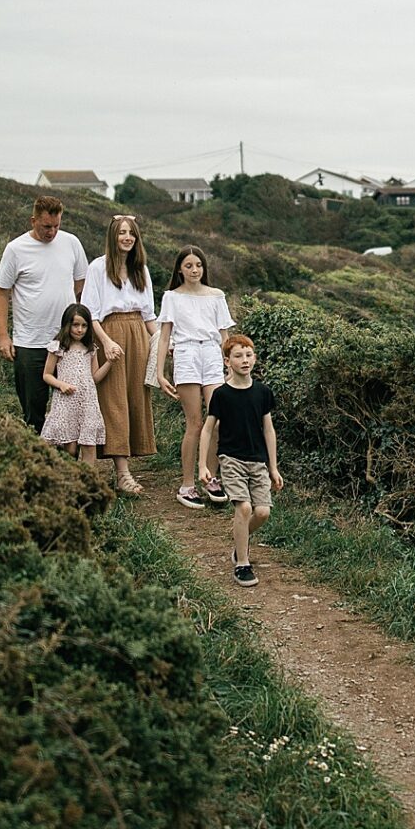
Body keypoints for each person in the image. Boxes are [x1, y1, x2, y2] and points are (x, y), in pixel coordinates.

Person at [0, 195, 89, 432]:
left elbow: (82, 287)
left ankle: (68, 462)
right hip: (29, 342)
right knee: (33, 409)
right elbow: (1, 292)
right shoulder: (16, 249)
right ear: (33, 220)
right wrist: (3, 336)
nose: (52, 232)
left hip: (67, 341)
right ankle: (37, 461)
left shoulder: (72, 243)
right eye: (46, 226)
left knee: (70, 404)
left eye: (57, 226)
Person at [82, 213, 157, 495]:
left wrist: (162, 342)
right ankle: (122, 473)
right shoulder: (98, 267)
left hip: (138, 333)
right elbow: (90, 313)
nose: (127, 237)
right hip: (110, 334)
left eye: (131, 233)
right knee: (114, 402)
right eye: (122, 232)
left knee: (135, 399)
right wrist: (107, 342)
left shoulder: (141, 269)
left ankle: (129, 462)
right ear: (113, 237)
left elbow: (149, 315)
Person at [198, 332, 281, 585]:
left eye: (249, 355)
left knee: (263, 512)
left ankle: (239, 541)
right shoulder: (221, 395)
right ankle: (242, 563)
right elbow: (208, 429)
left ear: (254, 358)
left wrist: (273, 467)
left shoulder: (263, 392)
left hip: (257, 460)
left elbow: (269, 430)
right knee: (244, 508)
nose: (245, 360)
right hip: (231, 458)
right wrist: (203, 464)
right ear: (227, 361)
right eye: (238, 356)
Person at [158, 245, 235, 507]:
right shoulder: (172, 297)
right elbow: (165, 336)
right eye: (188, 265)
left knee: (217, 420)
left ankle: (211, 478)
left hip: (212, 354)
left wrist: (231, 364)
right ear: (180, 268)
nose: (194, 270)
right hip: (187, 353)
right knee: (195, 422)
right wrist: (159, 372)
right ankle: (187, 485)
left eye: (198, 265)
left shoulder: (216, 295)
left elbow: (225, 335)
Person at [40, 302, 117, 465]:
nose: (80, 330)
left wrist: (109, 363)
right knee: (70, 447)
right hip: (66, 401)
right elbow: (47, 375)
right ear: (67, 324)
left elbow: (95, 377)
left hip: (87, 402)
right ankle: (69, 481)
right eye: (75, 325)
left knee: (89, 445)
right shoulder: (58, 347)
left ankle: (90, 483)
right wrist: (61, 384)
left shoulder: (90, 349)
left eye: (84, 325)